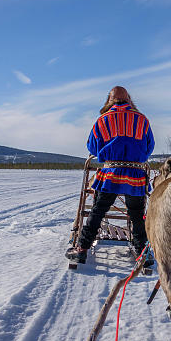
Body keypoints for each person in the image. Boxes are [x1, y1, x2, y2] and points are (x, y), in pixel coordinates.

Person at [66, 86, 155, 264]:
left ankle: (82, 248)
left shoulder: (102, 120)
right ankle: (142, 252)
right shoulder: (142, 120)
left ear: (109, 100)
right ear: (129, 99)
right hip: (135, 174)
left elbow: (92, 147)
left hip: (111, 174)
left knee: (98, 210)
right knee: (137, 214)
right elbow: (149, 147)